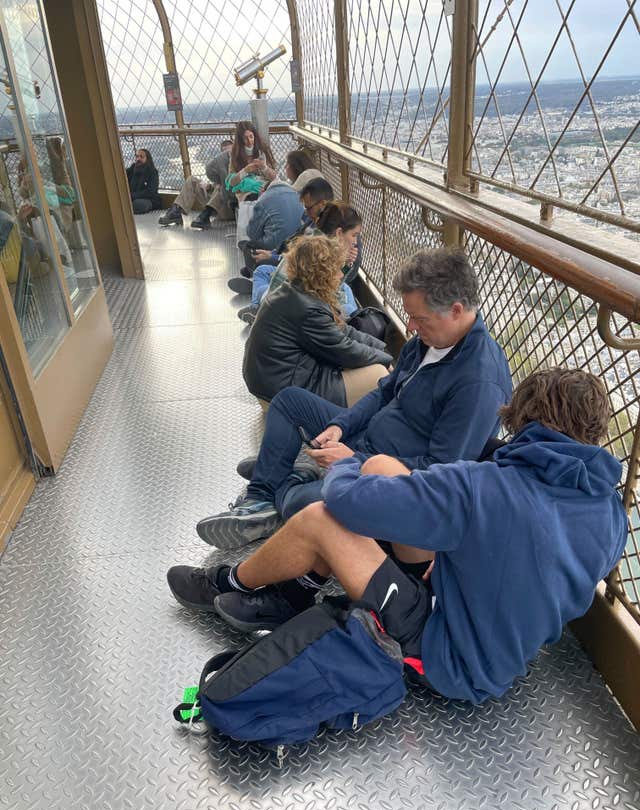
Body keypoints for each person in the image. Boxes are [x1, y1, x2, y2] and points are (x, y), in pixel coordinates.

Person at [167, 368, 627, 705]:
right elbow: (551, 578)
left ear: (522, 418)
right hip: (502, 645)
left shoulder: (483, 486)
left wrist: (345, 463)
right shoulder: (609, 511)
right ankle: (298, 588)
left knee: (323, 517)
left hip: (447, 656)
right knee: (383, 468)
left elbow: (346, 503)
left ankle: (229, 583)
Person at [188, 246, 512, 548]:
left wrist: (352, 461)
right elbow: (384, 392)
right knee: (289, 401)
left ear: (456, 310)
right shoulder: (429, 342)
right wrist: (341, 426)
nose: (410, 327)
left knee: (301, 502)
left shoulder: (478, 383)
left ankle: (287, 476)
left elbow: (438, 471)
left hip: (384, 473)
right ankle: (260, 498)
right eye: (409, 316)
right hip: (363, 439)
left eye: (419, 319)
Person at [242, 234, 392, 408]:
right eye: (336, 270)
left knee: (372, 365)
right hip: (283, 394)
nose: (339, 275)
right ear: (322, 274)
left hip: (275, 382)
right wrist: (387, 360)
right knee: (379, 375)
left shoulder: (296, 291)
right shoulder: (308, 308)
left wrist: (381, 349)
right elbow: (344, 350)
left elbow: (342, 332)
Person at [237, 201, 361, 325]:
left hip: (280, 300)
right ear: (339, 233)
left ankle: (256, 306)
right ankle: (357, 321)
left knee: (262, 275)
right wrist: (344, 263)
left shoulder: (315, 239)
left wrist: (346, 263)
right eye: (354, 235)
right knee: (348, 306)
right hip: (292, 311)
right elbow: (327, 293)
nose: (355, 241)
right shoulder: (322, 253)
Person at [231, 176, 333, 303]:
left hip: (303, 275)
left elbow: (306, 261)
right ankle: (260, 293)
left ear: (322, 204)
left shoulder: (329, 228)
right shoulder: (310, 220)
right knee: (262, 269)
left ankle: (259, 296)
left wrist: (274, 257)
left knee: (259, 263)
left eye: (308, 208)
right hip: (290, 262)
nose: (305, 212)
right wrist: (272, 253)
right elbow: (293, 242)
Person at [159, 140, 233, 228]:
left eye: (228, 152)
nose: (225, 155)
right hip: (216, 205)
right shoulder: (220, 166)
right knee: (192, 180)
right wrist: (209, 186)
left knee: (222, 186)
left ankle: (205, 216)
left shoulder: (237, 167)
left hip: (229, 207)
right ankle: (176, 212)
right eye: (223, 152)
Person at [225, 121, 276, 202]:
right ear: (240, 140)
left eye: (251, 136)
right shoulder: (235, 154)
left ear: (255, 136)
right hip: (246, 192)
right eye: (245, 138)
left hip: (265, 187)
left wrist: (264, 168)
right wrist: (245, 171)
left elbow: (274, 177)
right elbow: (231, 182)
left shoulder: (264, 150)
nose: (249, 141)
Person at [126, 148, 161, 215]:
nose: (138, 159)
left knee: (139, 204)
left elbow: (150, 192)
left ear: (147, 159)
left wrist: (132, 196)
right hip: (132, 198)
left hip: (148, 199)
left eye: (141, 157)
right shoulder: (132, 169)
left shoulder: (152, 172)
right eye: (137, 156)